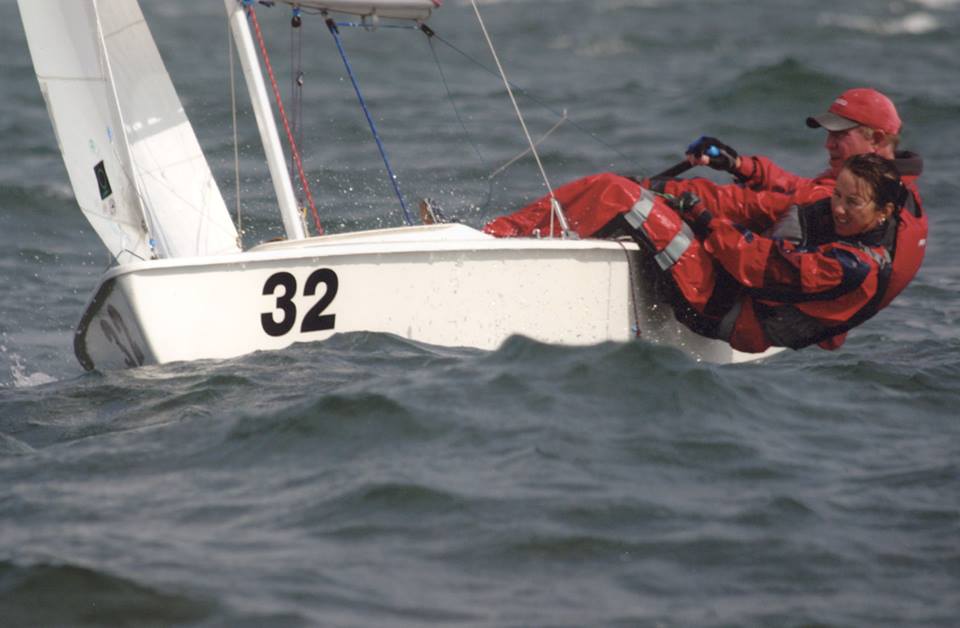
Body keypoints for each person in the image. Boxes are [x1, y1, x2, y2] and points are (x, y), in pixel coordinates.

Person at [618, 153, 909, 352]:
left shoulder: (852, 266)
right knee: (637, 194)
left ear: (884, 212)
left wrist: (706, 220)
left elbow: (761, 265)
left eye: (853, 202)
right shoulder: (826, 211)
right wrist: (654, 187)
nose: (839, 209)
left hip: (723, 313)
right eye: (837, 195)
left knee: (619, 197)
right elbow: (746, 204)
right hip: (730, 286)